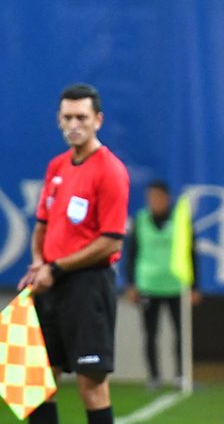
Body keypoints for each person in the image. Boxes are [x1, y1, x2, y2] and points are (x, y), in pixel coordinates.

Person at [18, 83, 129, 424]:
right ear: (58, 120)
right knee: (33, 383)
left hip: (88, 286)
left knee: (91, 386)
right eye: (67, 117)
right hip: (50, 283)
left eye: (81, 117)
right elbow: (42, 225)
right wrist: (39, 264)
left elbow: (111, 241)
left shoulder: (110, 170)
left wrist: (57, 268)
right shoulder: (57, 166)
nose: (73, 125)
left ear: (98, 120)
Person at [124, 180, 201, 390]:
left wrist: (195, 286)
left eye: (158, 197)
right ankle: (154, 376)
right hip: (148, 284)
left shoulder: (180, 221)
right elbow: (131, 253)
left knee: (181, 333)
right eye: (151, 197)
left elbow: (192, 253)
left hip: (176, 285)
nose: (154, 201)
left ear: (167, 198)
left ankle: (181, 376)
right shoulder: (140, 220)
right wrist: (131, 283)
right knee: (150, 333)